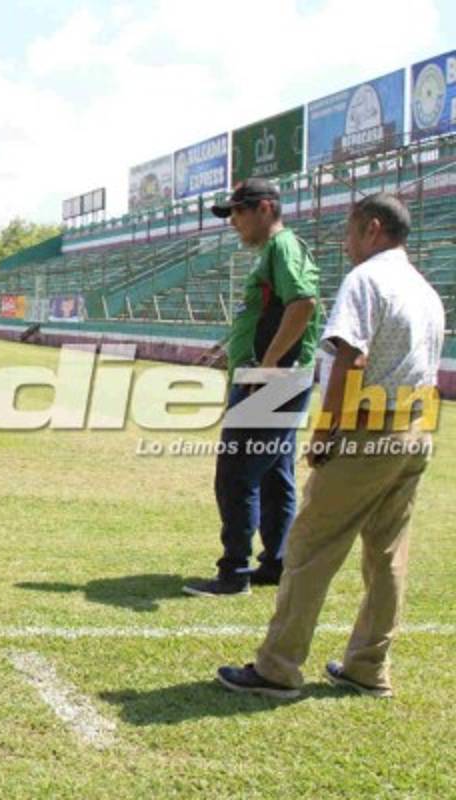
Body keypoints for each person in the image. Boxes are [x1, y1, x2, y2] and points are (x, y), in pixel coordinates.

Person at [217, 193, 444, 699]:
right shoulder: (425, 290)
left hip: (367, 431)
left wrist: (326, 432)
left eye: (349, 230)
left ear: (373, 228)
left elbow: (351, 360)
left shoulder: (367, 280)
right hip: (414, 430)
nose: (344, 243)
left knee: (309, 546)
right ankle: (368, 666)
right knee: (387, 556)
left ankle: (277, 668)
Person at [183, 179, 323, 597]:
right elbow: (278, 311)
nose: (233, 223)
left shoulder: (283, 247)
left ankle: (234, 572)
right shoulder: (275, 251)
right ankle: (275, 564)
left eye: (238, 213)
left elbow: (303, 303)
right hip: (278, 378)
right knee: (276, 475)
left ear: (265, 208)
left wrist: (266, 364)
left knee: (236, 475)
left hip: (273, 381)